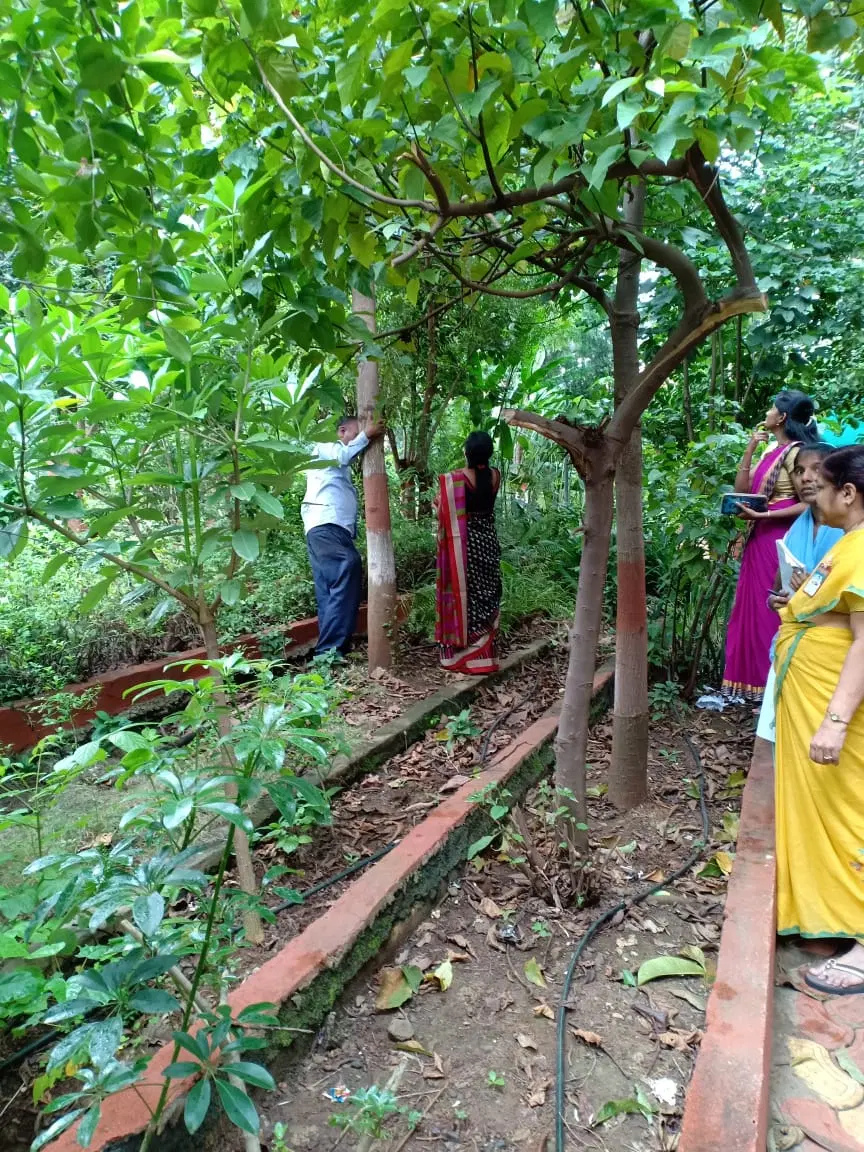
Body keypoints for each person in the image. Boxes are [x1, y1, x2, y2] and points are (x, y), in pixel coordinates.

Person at [772, 446, 864, 994]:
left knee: (850, 810)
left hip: (833, 709)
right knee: (826, 810)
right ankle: (831, 917)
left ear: (847, 493)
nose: (812, 491)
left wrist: (835, 720)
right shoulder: (846, 544)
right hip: (808, 697)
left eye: (822, 485)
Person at [722, 390, 819, 701]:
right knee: (751, 609)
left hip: (779, 538)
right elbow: (742, 489)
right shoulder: (772, 451)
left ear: (782, 417)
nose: (767, 412)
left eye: (772, 409)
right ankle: (752, 688)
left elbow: (808, 502)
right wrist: (751, 447)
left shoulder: (796, 454)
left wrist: (764, 515)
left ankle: (775, 687)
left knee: (771, 610)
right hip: (759, 534)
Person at [756, 443, 844, 743]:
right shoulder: (795, 529)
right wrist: (775, 599)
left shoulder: (850, 533)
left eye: (816, 469)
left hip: (833, 661)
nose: (806, 477)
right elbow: (779, 585)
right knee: (769, 750)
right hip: (790, 649)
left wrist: (811, 594)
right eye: (799, 471)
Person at [301, 414, 383, 657]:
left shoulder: (331, 459)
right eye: (355, 433)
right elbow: (343, 455)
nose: (357, 438)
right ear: (342, 431)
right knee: (349, 564)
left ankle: (327, 654)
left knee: (328, 589)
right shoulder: (328, 445)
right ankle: (329, 649)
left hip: (325, 526)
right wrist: (367, 435)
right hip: (326, 524)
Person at [435, 431, 502, 674]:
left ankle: (463, 650)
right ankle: (486, 654)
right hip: (489, 541)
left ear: (467, 453)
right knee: (487, 591)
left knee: (467, 593)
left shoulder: (456, 479)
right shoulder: (496, 476)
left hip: (466, 544)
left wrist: (439, 504)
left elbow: (442, 510)